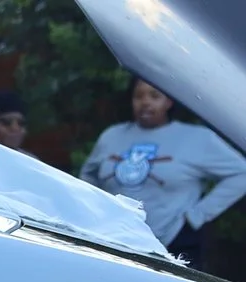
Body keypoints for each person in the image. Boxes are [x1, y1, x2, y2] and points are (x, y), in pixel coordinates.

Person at [82, 76, 246, 263]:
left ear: (168, 101)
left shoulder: (197, 139)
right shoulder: (112, 136)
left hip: (174, 242)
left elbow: (241, 173)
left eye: (154, 96)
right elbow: (89, 174)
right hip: (114, 241)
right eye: (139, 96)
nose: (145, 102)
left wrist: (198, 215)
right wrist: (96, 209)